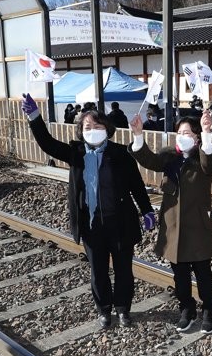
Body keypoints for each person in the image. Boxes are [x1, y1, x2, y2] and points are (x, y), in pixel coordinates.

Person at [20, 94, 155, 329]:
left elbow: (136, 185)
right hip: (91, 225)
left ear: (107, 128)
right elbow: (47, 143)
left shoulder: (121, 153)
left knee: (124, 270)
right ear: (81, 131)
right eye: (87, 126)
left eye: (97, 125)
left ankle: (123, 309)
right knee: (98, 271)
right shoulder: (76, 153)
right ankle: (104, 310)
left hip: (120, 223)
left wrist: (146, 210)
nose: (92, 130)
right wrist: (35, 117)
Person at [129, 110, 212, 333]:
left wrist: (208, 133)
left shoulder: (203, 156)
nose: (182, 136)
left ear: (197, 137)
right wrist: (138, 135)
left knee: (203, 273)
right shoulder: (170, 156)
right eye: (179, 132)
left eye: (188, 132)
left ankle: (209, 310)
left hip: (197, 227)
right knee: (180, 275)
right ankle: (186, 309)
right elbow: (148, 159)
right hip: (173, 228)